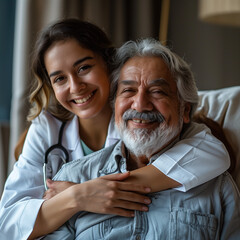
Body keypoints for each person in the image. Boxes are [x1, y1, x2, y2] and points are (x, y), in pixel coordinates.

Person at [0, 19, 230, 240]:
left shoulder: (149, 123)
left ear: (109, 65)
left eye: (84, 68)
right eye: (60, 78)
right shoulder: (46, 129)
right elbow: (8, 225)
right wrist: (77, 196)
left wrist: (95, 188)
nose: (75, 86)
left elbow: (213, 153)